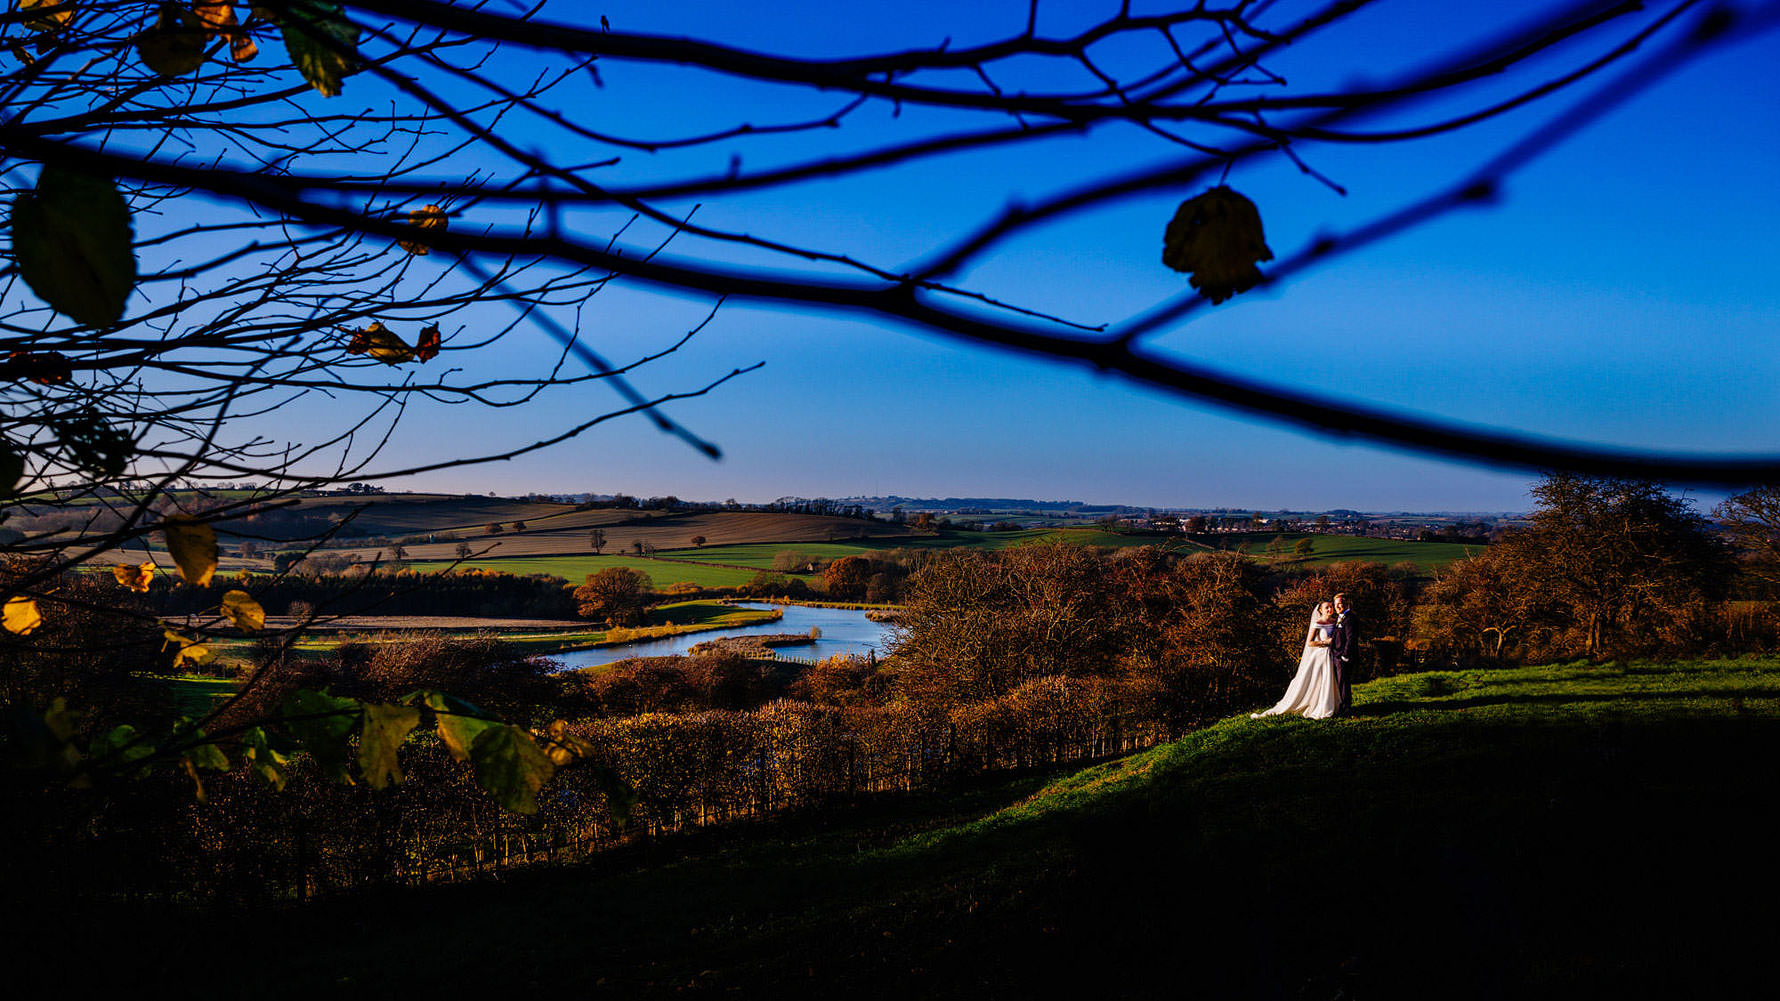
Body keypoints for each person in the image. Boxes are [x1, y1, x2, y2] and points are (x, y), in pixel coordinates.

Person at [1252, 600, 1343, 719]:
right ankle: (1319, 705)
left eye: (1331, 607)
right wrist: (1324, 642)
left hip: (1332, 655)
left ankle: (1331, 704)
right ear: (1320, 610)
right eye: (1327, 608)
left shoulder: (1335, 622)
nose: (1330, 609)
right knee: (1320, 681)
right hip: (1320, 656)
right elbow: (1310, 642)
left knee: (1330, 680)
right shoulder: (1318, 623)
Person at [1331, 592, 1356, 715]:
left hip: (1343, 657)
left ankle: (1347, 708)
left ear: (1346, 604)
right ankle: (1341, 706)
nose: (1337, 607)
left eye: (1339, 604)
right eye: (1335, 604)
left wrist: (1345, 655)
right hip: (1336, 656)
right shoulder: (1339, 618)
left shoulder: (1350, 618)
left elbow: (1351, 638)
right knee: (1339, 682)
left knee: (1343, 682)